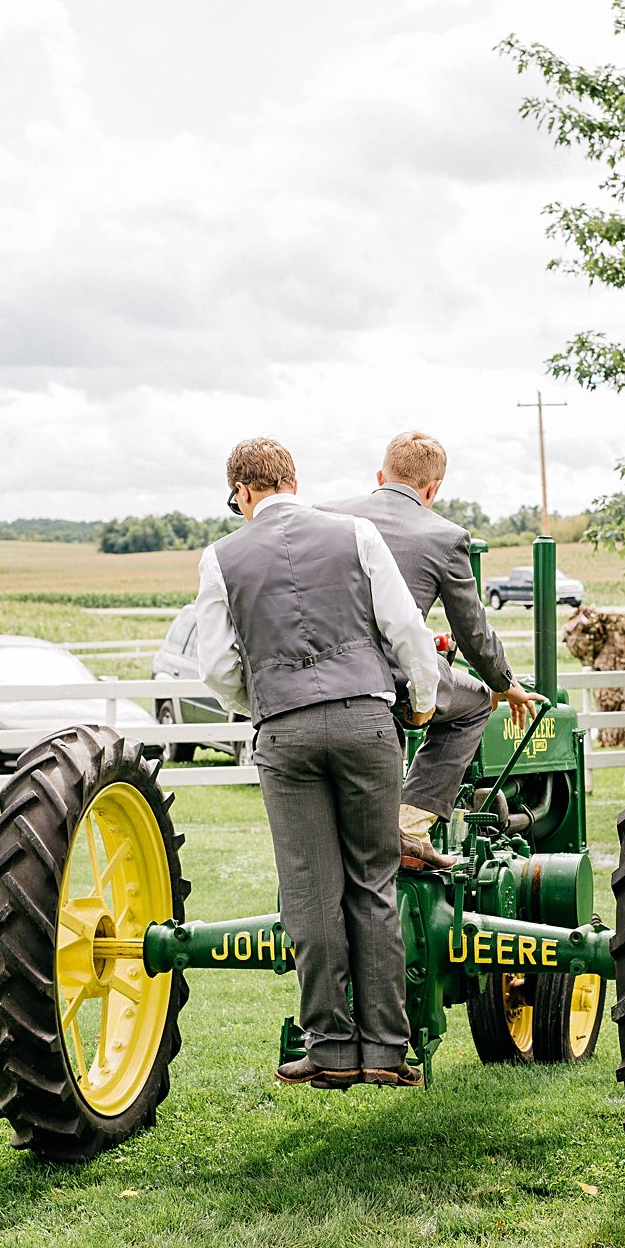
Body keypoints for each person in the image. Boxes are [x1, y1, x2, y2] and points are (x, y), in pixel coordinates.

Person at [192, 437, 441, 1090]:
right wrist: (420, 702)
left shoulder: (219, 559)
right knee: (373, 882)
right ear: (291, 480)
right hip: (365, 720)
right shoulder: (355, 534)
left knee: (310, 891)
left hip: (285, 732)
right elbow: (406, 629)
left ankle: (330, 1048)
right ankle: (386, 1049)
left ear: (242, 491)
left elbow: (216, 666)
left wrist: (269, 700)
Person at [323, 430, 543, 869]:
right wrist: (507, 684)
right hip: (392, 677)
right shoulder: (443, 536)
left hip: (321, 674)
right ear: (432, 488)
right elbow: (473, 630)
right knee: (476, 702)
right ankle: (409, 825)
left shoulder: (326, 515)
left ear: (381, 475)